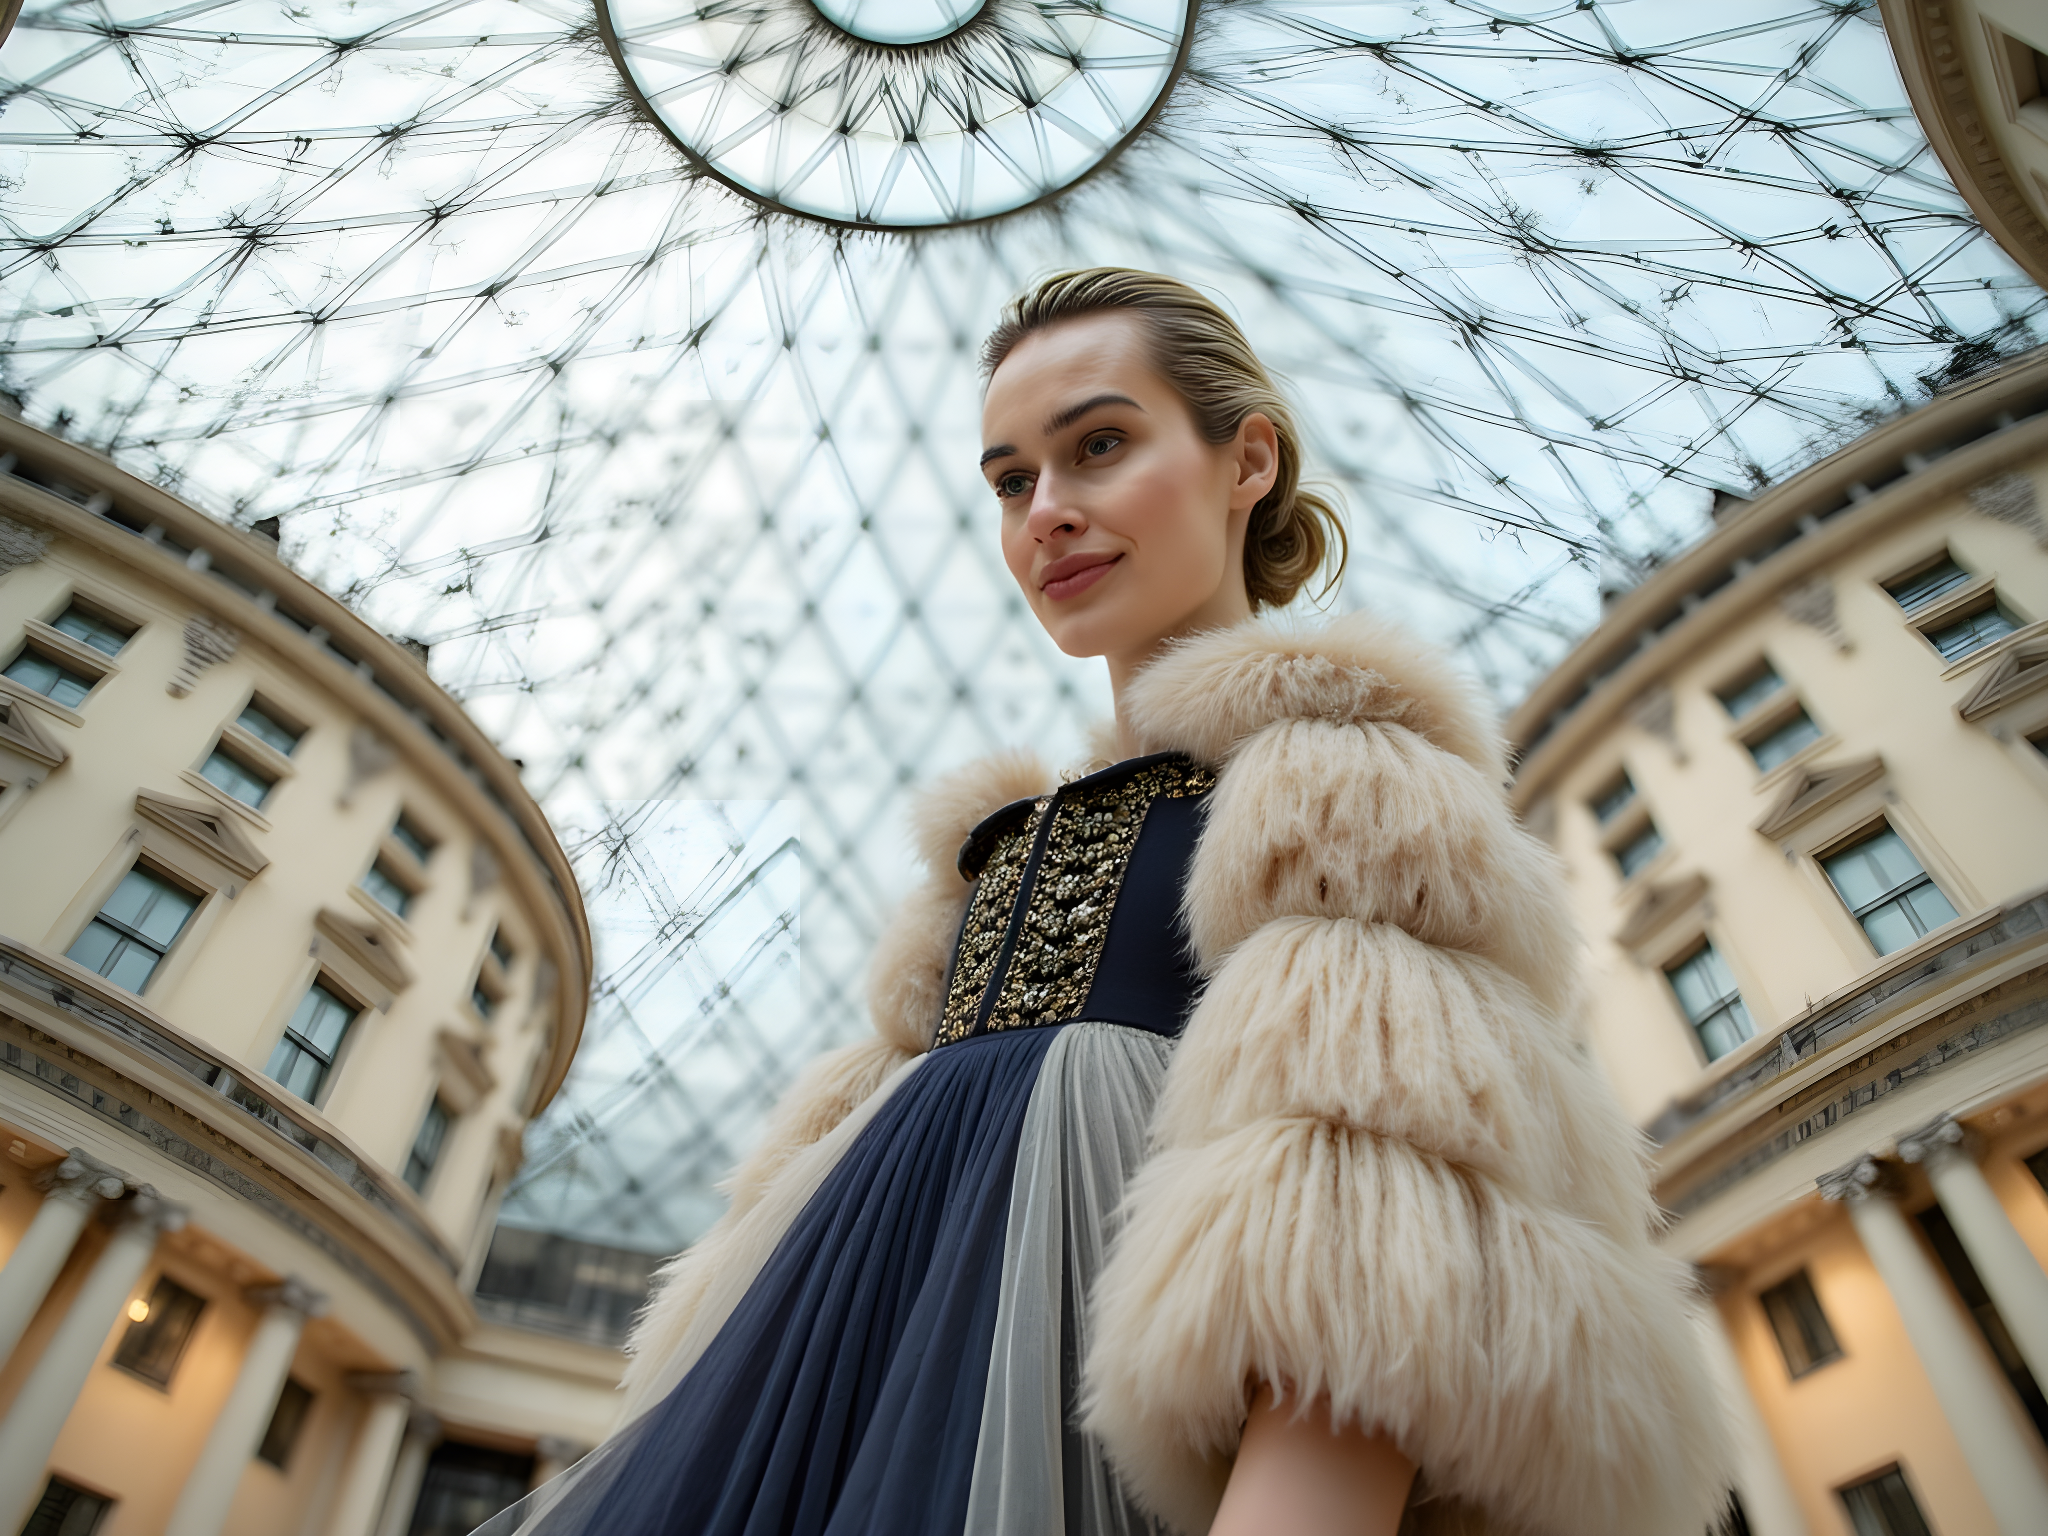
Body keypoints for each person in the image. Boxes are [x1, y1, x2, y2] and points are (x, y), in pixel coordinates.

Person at [475, 268, 1730, 1536]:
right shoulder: (991, 856)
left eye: (1099, 445)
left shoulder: (1344, 784)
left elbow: (1368, 1247)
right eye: (1012, 479)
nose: (1047, 513)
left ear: (1246, 460)